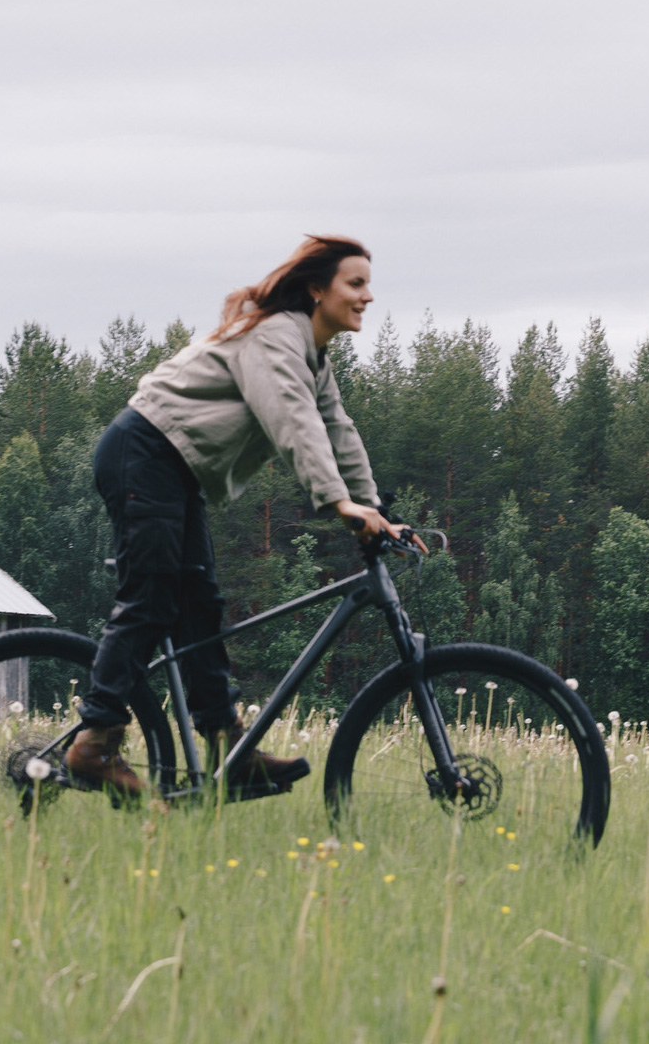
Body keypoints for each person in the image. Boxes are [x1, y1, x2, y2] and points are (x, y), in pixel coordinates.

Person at [65, 235, 407, 799]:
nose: (368, 296)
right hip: (144, 452)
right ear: (318, 290)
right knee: (152, 597)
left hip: (173, 469)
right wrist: (338, 502)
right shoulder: (275, 337)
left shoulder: (312, 355)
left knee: (200, 605)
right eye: (356, 283)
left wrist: (375, 508)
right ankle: (94, 741)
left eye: (369, 284)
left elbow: (337, 431)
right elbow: (292, 419)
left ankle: (229, 747)